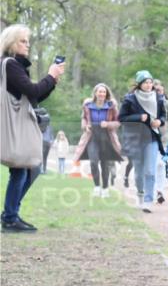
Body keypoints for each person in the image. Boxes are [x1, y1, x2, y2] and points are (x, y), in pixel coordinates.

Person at [1, 24, 64, 232]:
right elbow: (32, 89)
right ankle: (10, 217)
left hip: (18, 125)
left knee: (28, 169)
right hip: (15, 126)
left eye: (28, 41)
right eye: (23, 41)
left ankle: (11, 214)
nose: (27, 45)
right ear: (11, 43)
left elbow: (33, 97)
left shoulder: (14, 65)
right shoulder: (10, 64)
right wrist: (50, 76)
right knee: (23, 169)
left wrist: (52, 81)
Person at [119, 70, 167, 212]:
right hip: (136, 138)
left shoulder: (158, 98)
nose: (148, 84)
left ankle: (148, 200)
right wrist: (138, 117)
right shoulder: (130, 99)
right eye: (145, 82)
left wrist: (160, 121)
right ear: (139, 84)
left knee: (150, 171)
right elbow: (121, 118)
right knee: (139, 172)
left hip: (152, 137)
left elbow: (163, 116)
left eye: (150, 82)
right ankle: (140, 193)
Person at [73, 83, 123, 197]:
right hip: (92, 136)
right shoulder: (87, 105)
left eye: (104, 92)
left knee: (105, 163)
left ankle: (105, 188)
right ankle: (96, 187)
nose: (102, 94)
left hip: (106, 137)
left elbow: (118, 122)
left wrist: (108, 124)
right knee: (93, 161)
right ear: (95, 93)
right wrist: (85, 126)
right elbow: (84, 118)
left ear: (106, 94)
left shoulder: (111, 106)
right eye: (100, 91)